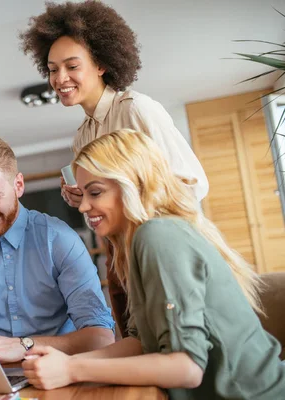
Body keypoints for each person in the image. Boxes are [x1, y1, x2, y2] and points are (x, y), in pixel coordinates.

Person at [22, 130, 285, 399]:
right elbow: (140, 343)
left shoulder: (159, 236)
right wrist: (65, 362)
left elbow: (187, 367)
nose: (83, 207)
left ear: (134, 185)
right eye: (83, 195)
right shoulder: (140, 242)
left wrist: (72, 368)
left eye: (95, 193)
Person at [19, 0, 209, 337]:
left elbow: (192, 185)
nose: (59, 78)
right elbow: (104, 202)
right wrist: (82, 196)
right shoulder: (82, 137)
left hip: (164, 251)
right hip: (121, 256)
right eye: (52, 69)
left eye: (71, 66)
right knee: (140, 344)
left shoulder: (136, 109)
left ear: (102, 64)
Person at [0, 136, 115, 363]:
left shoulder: (60, 239)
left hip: (61, 369)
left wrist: (25, 346)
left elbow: (101, 338)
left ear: (18, 185)